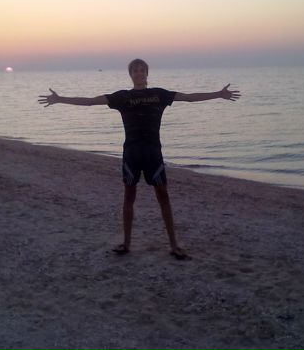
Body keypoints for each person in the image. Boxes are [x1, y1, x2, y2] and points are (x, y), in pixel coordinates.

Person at [38, 59, 241, 260]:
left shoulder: (159, 94)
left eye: (142, 70)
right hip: (132, 154)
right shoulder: (122, 97)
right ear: (131, 75)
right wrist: (60, 99)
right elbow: (90, 101)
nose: (139, 73)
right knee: (129, 196)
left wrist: (218, 94)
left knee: (163, 196)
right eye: (135, 70)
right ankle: (126, 243)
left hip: (153, 153)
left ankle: (174, 245)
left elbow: (188, 98)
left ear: (147, 73)